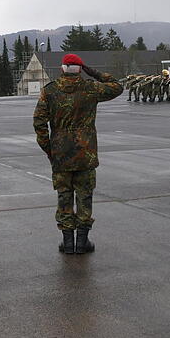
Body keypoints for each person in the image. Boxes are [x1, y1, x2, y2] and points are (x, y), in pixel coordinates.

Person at [33, 54, 123, 255]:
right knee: (84, 196)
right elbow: (117, 85)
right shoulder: (91, 88)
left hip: (61, 154)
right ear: (81, 69)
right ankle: (82, 243)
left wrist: (49, 149)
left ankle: (68, 243)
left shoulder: (50, 91)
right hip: (85, 154)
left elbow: (39, 123)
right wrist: (92, 71)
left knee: (64, 196)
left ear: (62, 68)